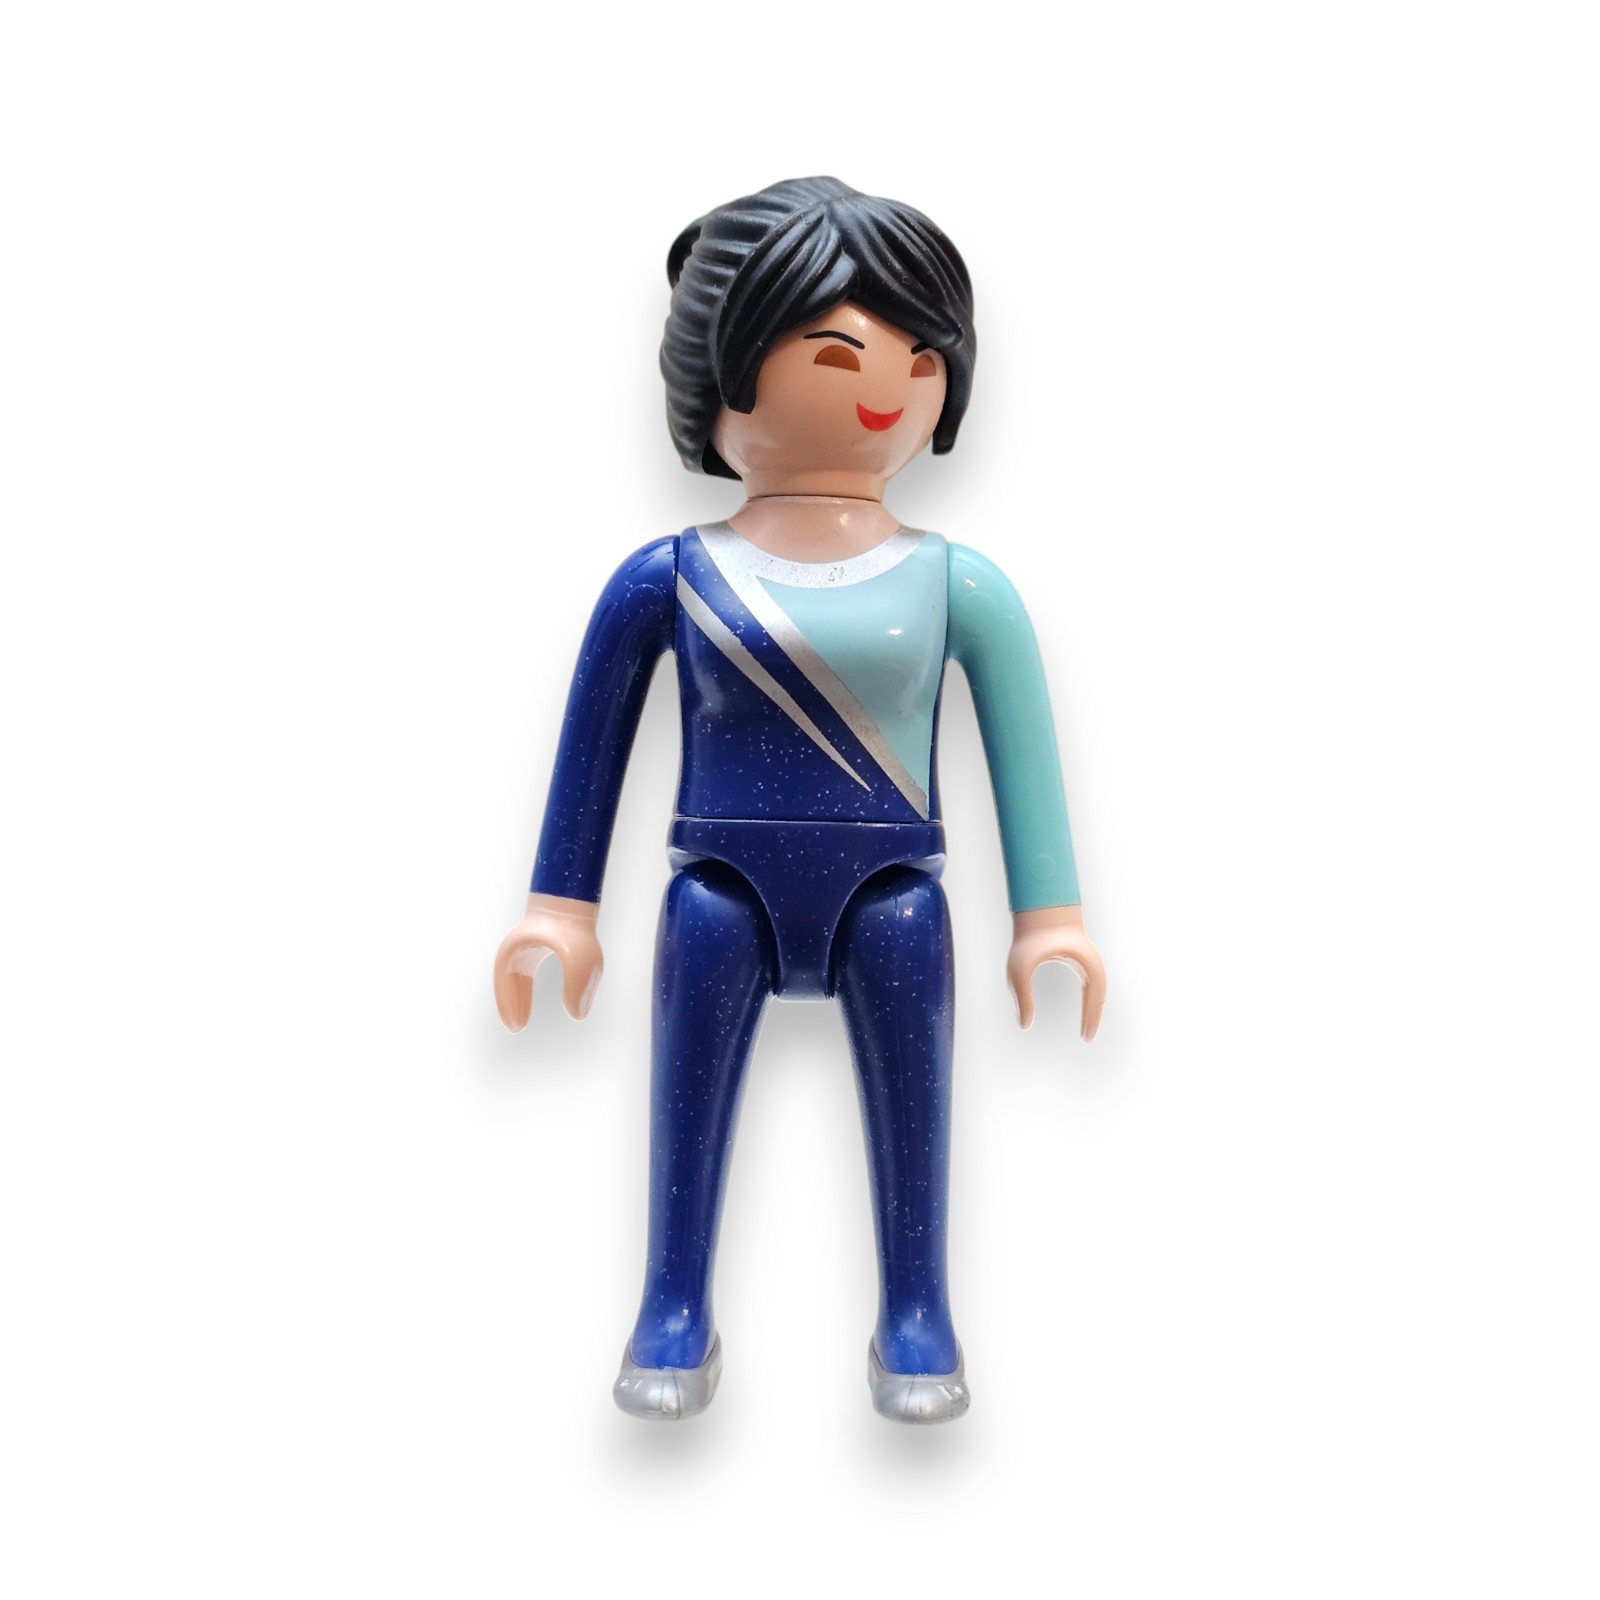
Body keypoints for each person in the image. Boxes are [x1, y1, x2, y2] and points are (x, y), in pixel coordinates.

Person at [493, 177, 1106, 1424]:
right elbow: (591, 744)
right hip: (717, 887)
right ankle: (673, 1303)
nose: (891, 378)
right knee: (684, 1108)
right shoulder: (671, 576)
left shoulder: (959, 585)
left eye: (922, 354)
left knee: (915, 1112)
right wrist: (559, 906)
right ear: (720, 376)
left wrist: (1050, 918)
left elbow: (1022, 751)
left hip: (893, 890)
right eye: (837, 351)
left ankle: (916, 1311)